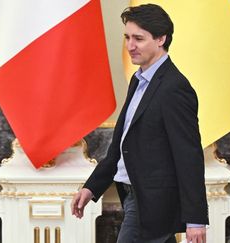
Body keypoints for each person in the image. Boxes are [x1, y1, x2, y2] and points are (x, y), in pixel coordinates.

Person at [71, 4, 208, 243]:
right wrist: (91, 187)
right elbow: (120, 146)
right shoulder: (139, 81)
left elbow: (189, 156)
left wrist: (195, 220)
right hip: (135, 198)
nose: (130, 46)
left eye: (138, 38)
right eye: (127, 37)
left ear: (161, 39)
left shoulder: (174, 88)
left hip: (152, 206)